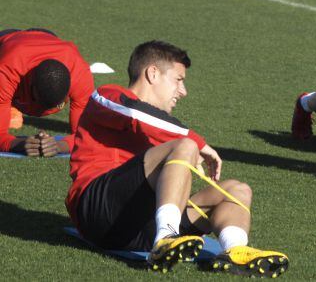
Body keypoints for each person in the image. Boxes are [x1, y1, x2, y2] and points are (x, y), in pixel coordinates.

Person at [65, 40, 288, 276]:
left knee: (237, 190)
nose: (183, 91)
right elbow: (136, 113)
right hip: (96, 211)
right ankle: (166, 237)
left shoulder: (161, 131)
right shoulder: (107, 95)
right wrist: (197, 144)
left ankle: (235, 252)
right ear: (152, 73)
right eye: (178, 80)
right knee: (185, 145)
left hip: (140, 228)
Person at [0, 28, 94, 157]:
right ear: (30, 85)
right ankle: (7, 105)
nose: (40, 112)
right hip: (7, 42)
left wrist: (59, 146)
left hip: (46, 37)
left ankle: (6, 103)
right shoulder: (8, 71)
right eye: (36, 101)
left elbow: (86, 136)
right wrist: (19, 144)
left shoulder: (79, 74)